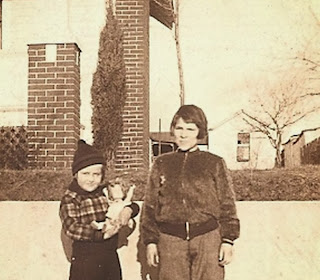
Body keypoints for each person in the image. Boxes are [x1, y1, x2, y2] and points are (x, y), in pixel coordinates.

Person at [141, 105, 240, 280]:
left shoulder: (214, 163)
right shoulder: (162, 163)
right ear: (173, 130)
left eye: (190, 129)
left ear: (199, 132)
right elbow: (150, 206)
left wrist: (228, 240)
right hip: (170, 240)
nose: (184, 134)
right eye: (179, 128)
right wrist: (150, 242)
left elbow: (227, 203)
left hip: (207, 238)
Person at [59, 140, 140, 280]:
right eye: (86, 173)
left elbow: (128, 203)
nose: (91, 179)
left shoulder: (105, 193)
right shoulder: (71, 198)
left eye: (96, 174)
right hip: (85, 261)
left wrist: (128, 210)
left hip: (109, 258)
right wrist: (101, 234)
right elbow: (71, 227)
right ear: (76, 174)